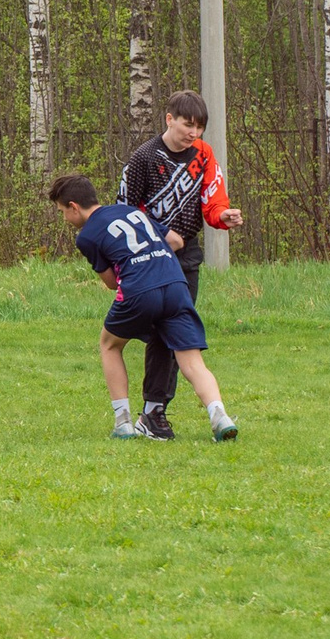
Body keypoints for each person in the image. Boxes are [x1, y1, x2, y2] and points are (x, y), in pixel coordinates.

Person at [48, 173, 239, 443]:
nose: (65, 219)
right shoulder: (130, 211)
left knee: (109, 345)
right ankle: (220, 416)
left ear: (74, 207)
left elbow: (112, 283)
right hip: (175, 284)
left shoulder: (87, 236)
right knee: (192, 361)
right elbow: (176, 241)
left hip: (139, 290)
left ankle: (123, 421)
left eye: (63, 212)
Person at [117, 90, 246, 439]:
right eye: (188, 125)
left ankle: (154, 413)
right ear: (169, 118)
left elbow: (212, 199)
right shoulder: (143, 158)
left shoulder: (203, 155)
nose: (193, 133)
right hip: (149, 259)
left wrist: (224, 216)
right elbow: (123, 214)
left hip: (186, 258)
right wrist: (161, 236)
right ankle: (152, 411)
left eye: (200, 127)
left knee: (177, 333)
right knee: (162, 332)